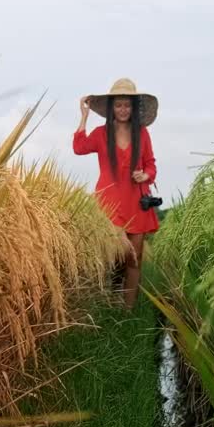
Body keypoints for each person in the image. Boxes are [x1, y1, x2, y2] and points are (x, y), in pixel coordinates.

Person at [72, 78, 160, 309]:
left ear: (133, 108)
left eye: (127, 105)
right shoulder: (101, 134)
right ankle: (108, 301)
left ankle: (127, 312)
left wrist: (146, 176)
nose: (123, 109)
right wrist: (83, 117)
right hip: (109, 203)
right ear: (112, 108)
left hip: (136, 201)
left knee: (134, 259)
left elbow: (151, 164)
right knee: (117, 254)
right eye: (119, 105)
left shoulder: (142, 133)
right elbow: (79, 148)